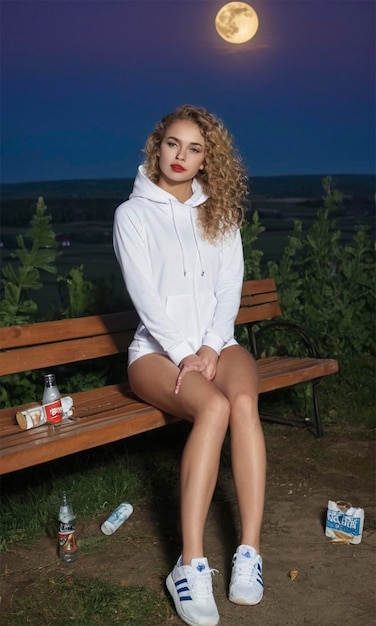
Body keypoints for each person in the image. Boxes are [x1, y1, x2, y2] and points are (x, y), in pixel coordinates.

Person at [113, 104, 266, 626]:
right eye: (173, 143)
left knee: (243, 400)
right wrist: (185, 355)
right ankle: (190, 564)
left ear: (206, 161)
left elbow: (229, 288)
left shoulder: (217, 211)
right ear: (157, 147)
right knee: (215, 407)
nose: (181, 156)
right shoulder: (131, 216)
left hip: (214, 343)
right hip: (155, 353)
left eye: (194, 148)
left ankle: (249, 554)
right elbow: (147, 301)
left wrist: (209, 347)